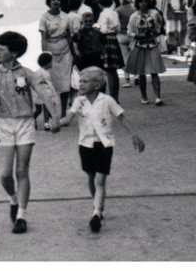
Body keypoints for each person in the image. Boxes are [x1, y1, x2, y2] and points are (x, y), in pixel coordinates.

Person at [0, 31, 60, 234]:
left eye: (2, 49)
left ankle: (21, 216)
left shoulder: (26, 73)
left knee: (22, 170)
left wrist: (54, 116)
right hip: (4, 125)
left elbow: (44, 93)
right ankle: (13, 199)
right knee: (4, 175)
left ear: (14, 52)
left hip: (25, 124)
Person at [57, 67, 145, 233]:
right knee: (91, 177)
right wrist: (57, 123)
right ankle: (96, 204)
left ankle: (97, 213)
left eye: (85, 81)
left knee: (100, 180)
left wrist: (134, 135)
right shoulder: (78, 100)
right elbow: (68, 118)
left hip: (105, 144)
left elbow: (121, 117)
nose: (80, 84)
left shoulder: (107, 100)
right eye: (80, 81)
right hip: (85, 144)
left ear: (97, 85)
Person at [124, 0, 167, 105]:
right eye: (141, 1)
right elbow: (129, 31)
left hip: (152, 44)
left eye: (146, 1)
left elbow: (160, 24)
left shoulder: (155, 14)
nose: (144, 3)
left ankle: (158, 96)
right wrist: (137, 36)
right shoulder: (134, 16)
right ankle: (144, 96)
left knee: (155, 70)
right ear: (137, 3)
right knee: (141, 72)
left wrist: (156, 32)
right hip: (139, 45)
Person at [39, 0, 76, 116]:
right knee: (51, 84)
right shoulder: (44, 18)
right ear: (49, 2)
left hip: (65, 51)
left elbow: (70, 36)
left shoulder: (66, 17)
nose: (56, 2)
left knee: (65, 84)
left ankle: (63, 113)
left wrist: (73, 52)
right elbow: (43, 37)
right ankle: (50, 113)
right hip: (51, 52)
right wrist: (45, 55)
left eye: (58, 0)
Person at [94, 0, 125, 101]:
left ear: (100, 4)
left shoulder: (103, 14)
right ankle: (115, 97)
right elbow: (118, 29)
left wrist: (96, 30)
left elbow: (103, 30)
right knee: (113, 71)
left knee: (107, 69)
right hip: (113, 39)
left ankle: (109, 97)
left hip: (105, 40)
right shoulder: (114, 13)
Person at [115, 0, 136, 87]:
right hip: (132, 35)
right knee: (135, 57)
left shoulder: (117, 10)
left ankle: (127, 80)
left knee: (125, 58)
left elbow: (116, 24)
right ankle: (136, 76)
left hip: (122, 35)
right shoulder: (134, 10)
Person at [33, 52, 56, 130]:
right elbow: (35, 82)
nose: (52, 63)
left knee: (47, 108)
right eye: (51, 61)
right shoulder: (39, 72)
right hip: (39, 94)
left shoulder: (48, 71)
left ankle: (46, 123)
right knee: (38, 110)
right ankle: (33, 118)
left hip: (47, 93)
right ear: (47, 63)